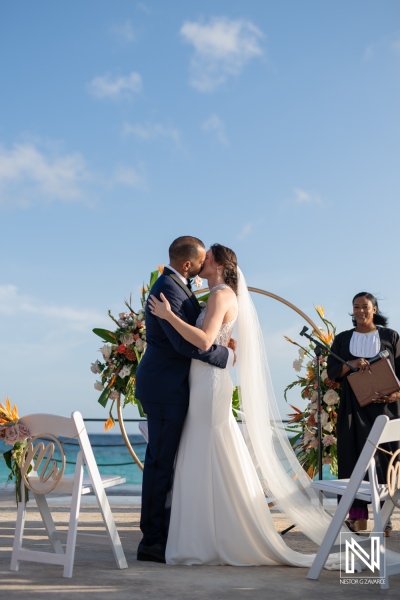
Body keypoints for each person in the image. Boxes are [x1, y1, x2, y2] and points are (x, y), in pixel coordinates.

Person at [148, 243, 336, 567]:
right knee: (206, 452)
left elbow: (206, 341)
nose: (202, 262)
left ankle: (207, 538)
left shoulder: (221, 295)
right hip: (202, 379)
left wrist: (167, 316)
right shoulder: (219, 295)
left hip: (208, 382)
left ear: (219, 265)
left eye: (208, 258)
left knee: (205, 449)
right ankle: (208, 533)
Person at [135, 236, 234, 563]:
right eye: (201, 259)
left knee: (167, 461)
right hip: (165, 386)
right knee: (161, 462)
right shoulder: (169, 288)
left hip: (175, 385)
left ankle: (170, 533)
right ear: (189, 264)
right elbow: (184, 345)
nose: (205, 264)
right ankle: (152, 541)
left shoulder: (178, 286)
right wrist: (227, 356)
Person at [327, 292, 400, 536]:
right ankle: (357, 519)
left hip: (386, 408)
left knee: (385, 460)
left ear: (374, 309)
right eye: (356, 307)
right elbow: (331, 372)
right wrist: (351, 365)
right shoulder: (342, 339)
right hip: (353, 410)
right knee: (354, 460)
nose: (360, 311)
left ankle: (386, 519)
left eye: (365, 307)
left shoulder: (390, 336)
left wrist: (395, 396)